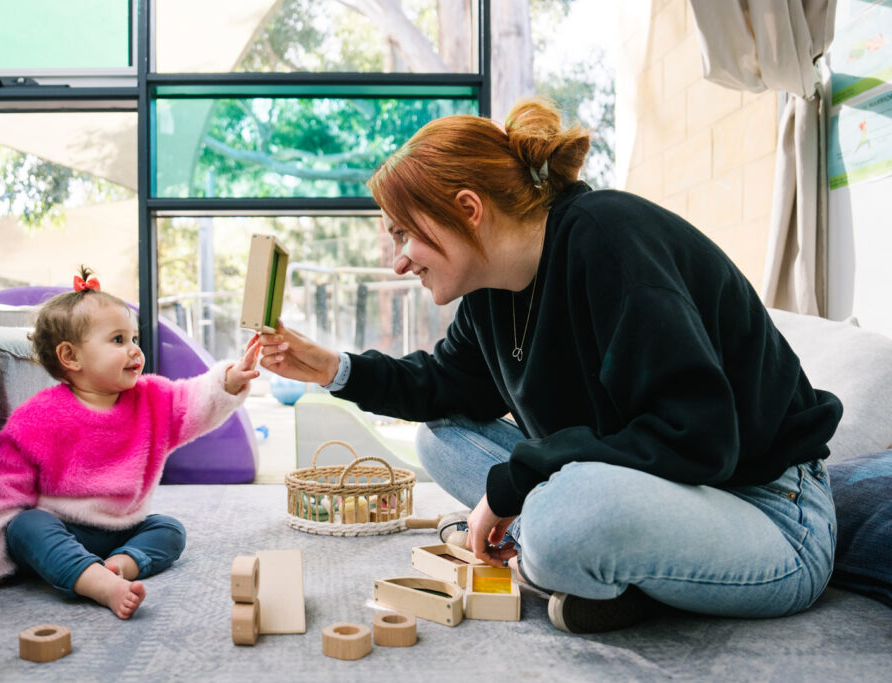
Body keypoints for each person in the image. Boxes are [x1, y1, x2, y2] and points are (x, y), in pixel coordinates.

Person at [258, 96, 843, 634]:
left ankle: (573, 551)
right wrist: (331, 369)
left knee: (561, 523)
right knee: (441, 438)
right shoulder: (491, 288)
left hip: (767, 513)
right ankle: (592, 563)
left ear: (468, 209)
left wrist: (518, 482)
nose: (399, 262)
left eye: (405, 234)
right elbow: (440, 387)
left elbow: (698, 438)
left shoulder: (609, 238)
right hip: (653, 486)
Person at [0, 267, 260, 619]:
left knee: (168, 530)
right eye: (118, 340)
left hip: (122, 530)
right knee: (26, 526)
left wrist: (227, 381)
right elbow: (4, 490)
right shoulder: (38, 417)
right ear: (70, 357)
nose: (135, 351)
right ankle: (94, 581)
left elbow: (195, 401)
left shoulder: (152, 398)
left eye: (134, 339)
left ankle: (119, 566)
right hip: (63, 527)